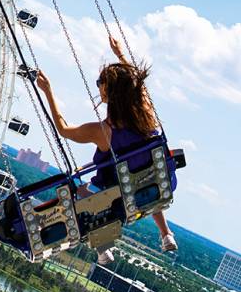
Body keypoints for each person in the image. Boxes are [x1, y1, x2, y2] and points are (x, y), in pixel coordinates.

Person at [34, 35, 177, 264]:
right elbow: (137, 85)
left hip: (121, 197)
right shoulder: (147, 115)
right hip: (156, 185)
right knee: (144, 175)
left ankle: (103, 247)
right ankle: (166, 233)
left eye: (100, 82)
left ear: (108, 91)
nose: (98, 85)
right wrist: (120, 54)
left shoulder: (102, 131)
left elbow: (63, 129)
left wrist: (48, 91)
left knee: (80, 193)